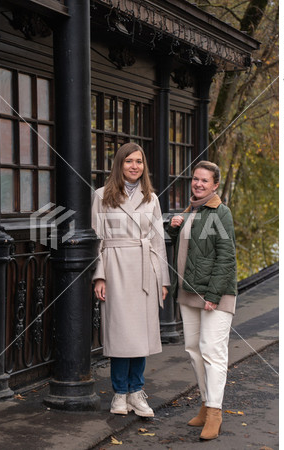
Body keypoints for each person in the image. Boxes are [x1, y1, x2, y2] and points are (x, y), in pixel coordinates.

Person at [92, 142, 170, 417]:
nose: (134, 166)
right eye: (129, 161)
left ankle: (136, 392)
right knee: (120, 333)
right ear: (120, 164)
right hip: (115, 268)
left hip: (145, 270)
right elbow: (96, 239)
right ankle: (119, 394)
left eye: (139, 161)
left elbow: (158, 241)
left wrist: (162, 279)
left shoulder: (152, 198)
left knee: (140, 335)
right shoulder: (101, 195)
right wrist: (99, 276)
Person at [167, 160, 237, 440]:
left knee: (212, 351)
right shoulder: (190, 211)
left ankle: (216, 413)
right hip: (188, 292)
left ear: (215, 185)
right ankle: (206, 406)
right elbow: (189, 248)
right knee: (194, 350)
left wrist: (213, 295)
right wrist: (174, 229)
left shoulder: (221, 213)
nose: (198, 184)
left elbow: (226, 257)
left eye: (204, 180)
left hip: (214, 295)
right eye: (195, 179)